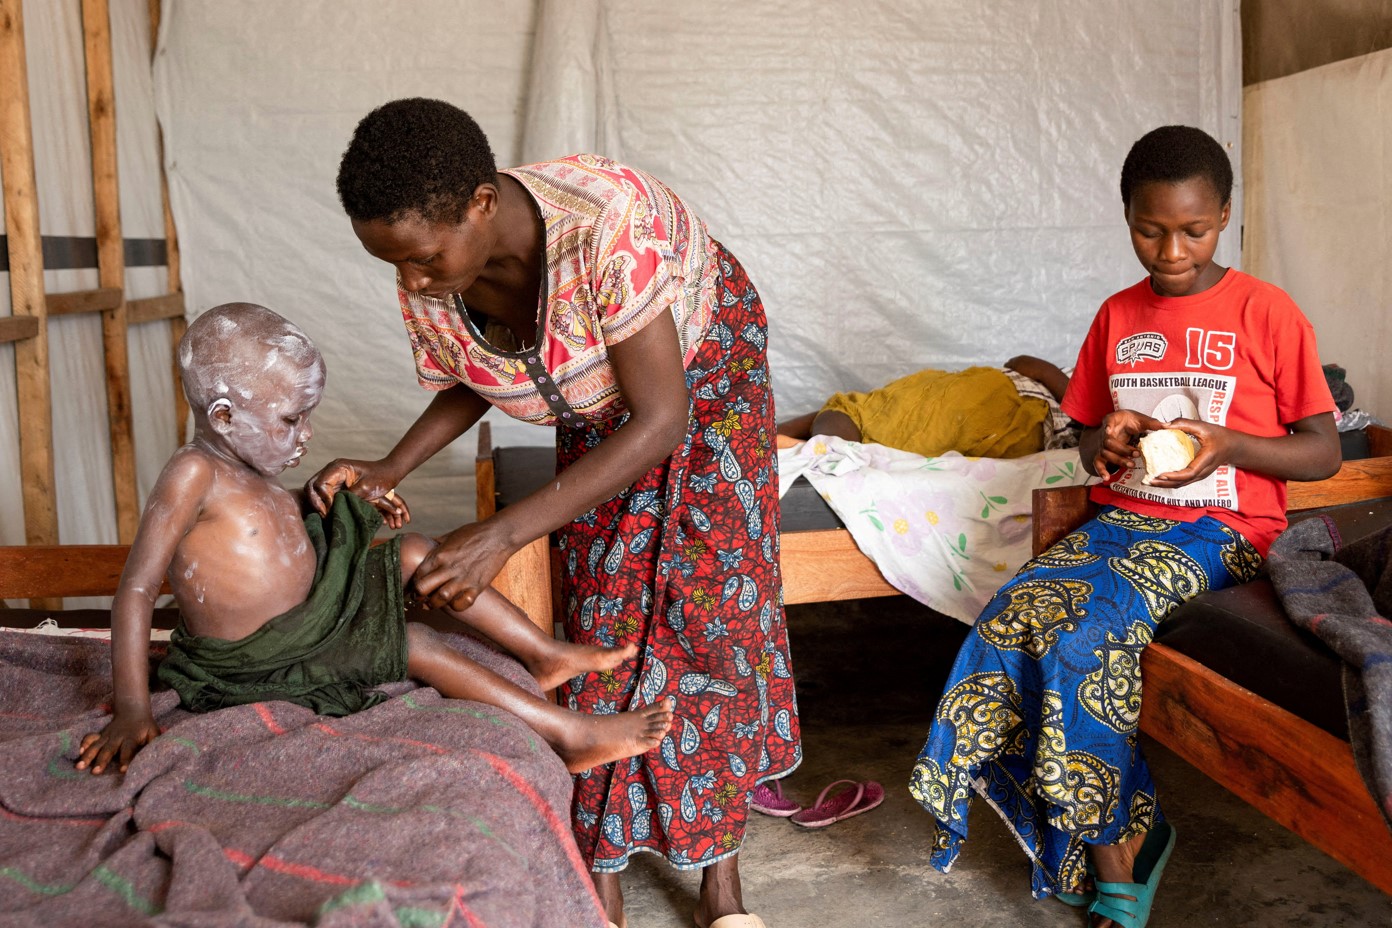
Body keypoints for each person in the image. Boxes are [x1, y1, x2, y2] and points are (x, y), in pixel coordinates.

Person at [310, 99, 800, 928]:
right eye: (394, 265)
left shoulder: (610, 225)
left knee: (711, 612)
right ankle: (599, 878)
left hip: (705, 382)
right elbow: (477, 369)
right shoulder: (430, 270)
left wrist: (500, 532)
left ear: (481, 204)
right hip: (598, 404)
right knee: (603, 612)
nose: (412, 282)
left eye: (424, 260)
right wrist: (391, 466)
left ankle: (723, 886)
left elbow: (660, 419)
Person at [908, 125, 1340, 928]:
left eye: (1194, 229)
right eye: (1150, 229)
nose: (1171, 249)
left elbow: (1322, 454)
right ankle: (1124, 825)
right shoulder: (1117, 314)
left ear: (1225, 217)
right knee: (1002, 629)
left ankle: (1114, 857)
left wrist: (1230, 445)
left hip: (1222, 532)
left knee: (1081, 636)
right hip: (1121, 524)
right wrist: (1099, 440)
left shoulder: (1267, 312)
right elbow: (1079, 437)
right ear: (1126, 216)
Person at [76, 303, 672, 779]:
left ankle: (544, 653)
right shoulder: (192, 473)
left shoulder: (245, 462)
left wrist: (318, 499)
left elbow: (263, 532)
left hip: (312, 614)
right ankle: (568, 734)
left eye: (308, 416)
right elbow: (136, 588)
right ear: (225, 417)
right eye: (292, 420)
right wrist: (133, 707)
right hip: (264, 658)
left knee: (413, 550)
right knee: (416, 642)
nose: (306, 435)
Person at [777, 354, 1075, 457]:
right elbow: (1023, 363)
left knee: (904, 439)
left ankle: (799, 443)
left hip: (1012, 433)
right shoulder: (1078, 384)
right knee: (894, 415)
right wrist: (1082, 407)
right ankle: (781, 437)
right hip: (996, 394)